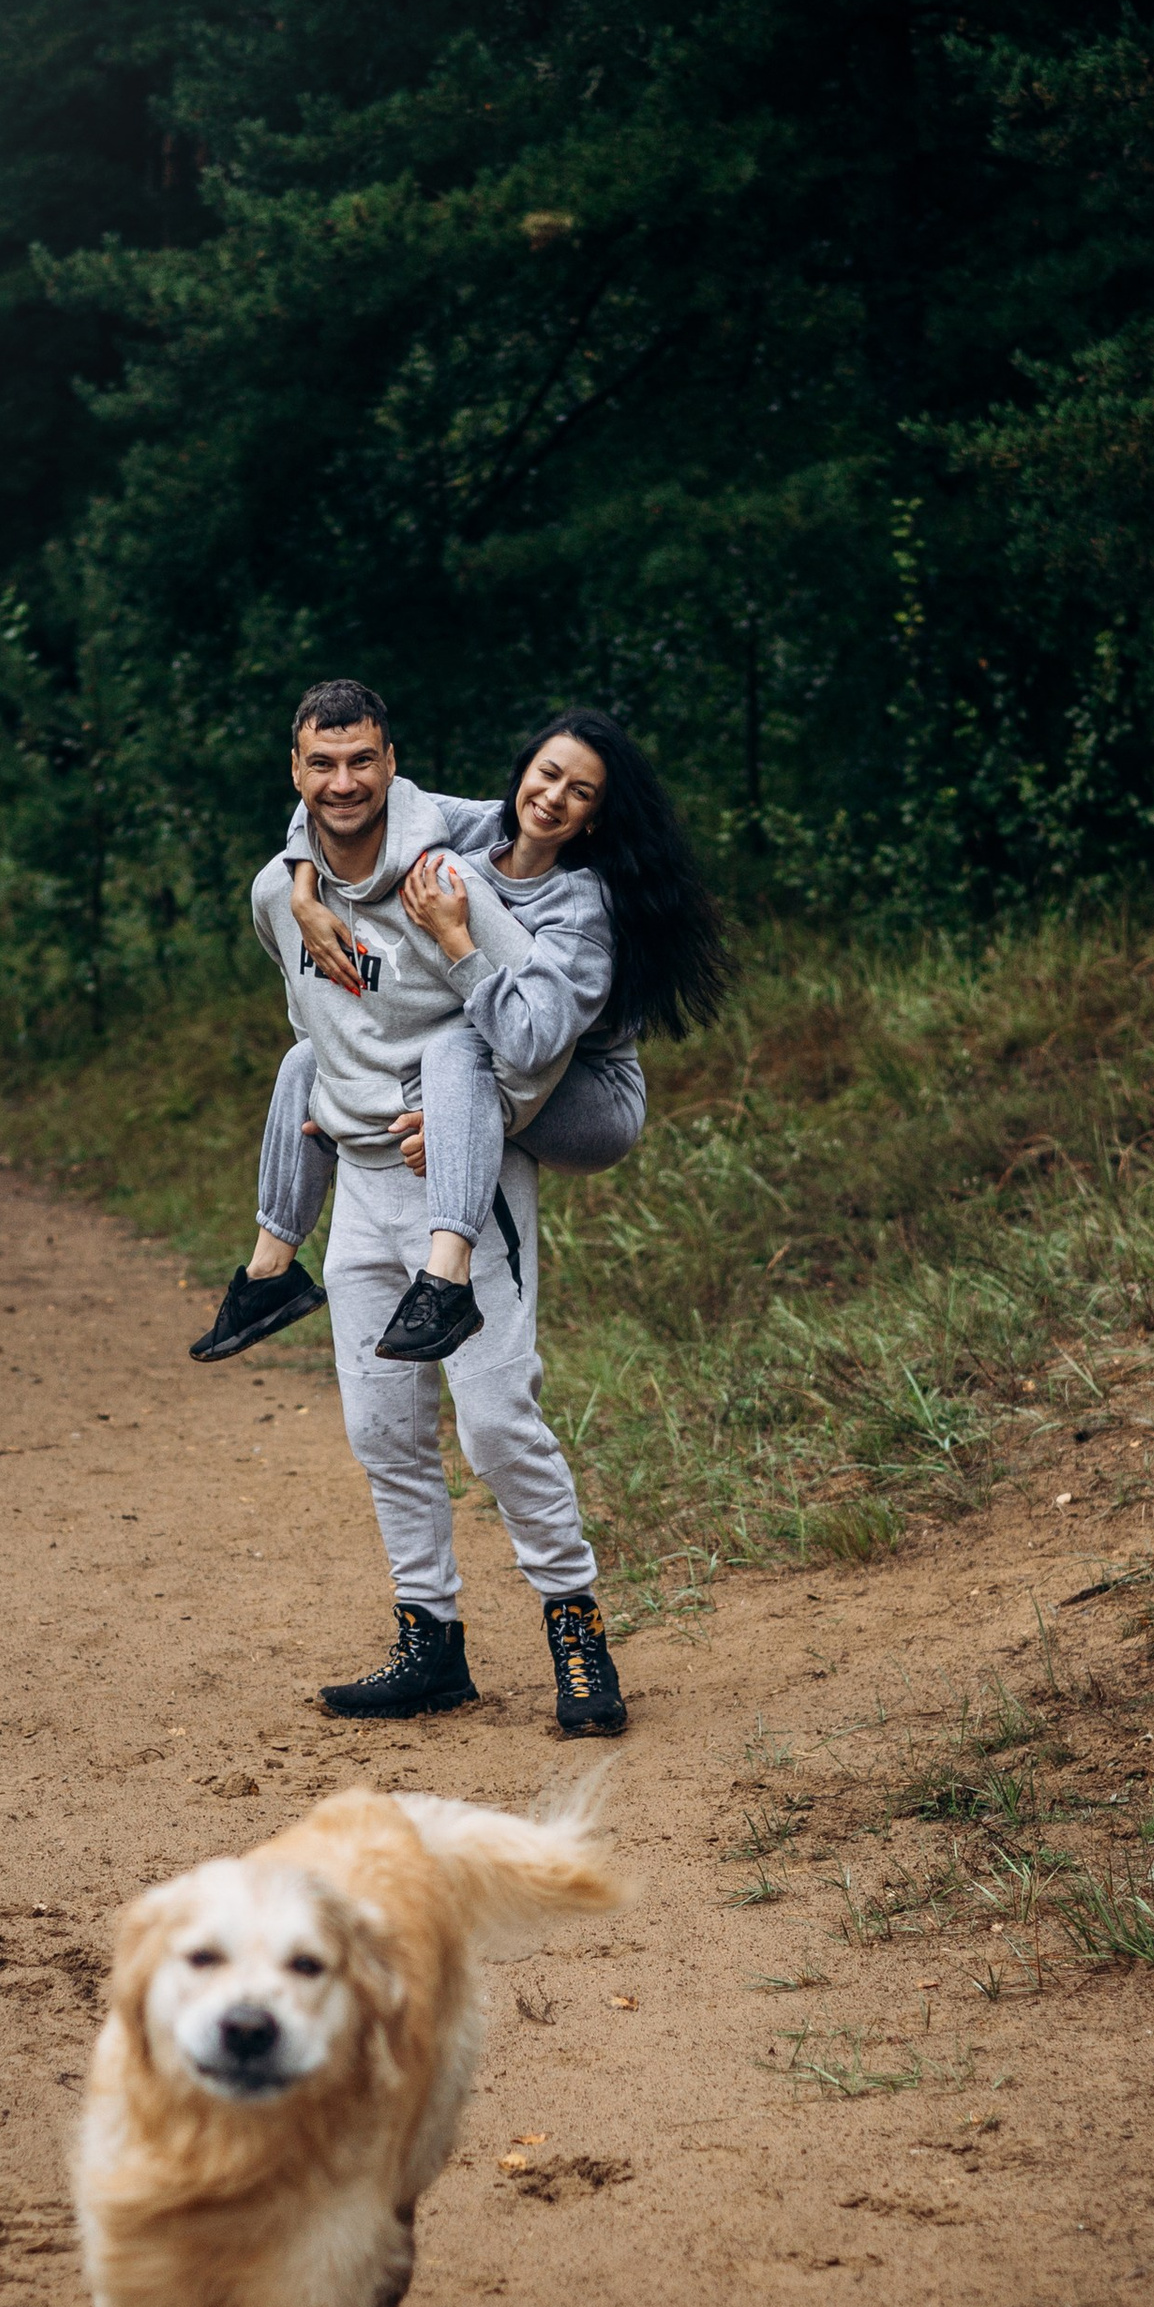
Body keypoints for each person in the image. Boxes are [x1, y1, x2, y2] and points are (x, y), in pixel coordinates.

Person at [207, 679, 635, 1734]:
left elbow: (530, 1030)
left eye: (362, 762)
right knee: (383, 1432)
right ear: (294, 774)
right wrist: (307, 891)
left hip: (463, 1187)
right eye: (321, 764)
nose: (342, 782)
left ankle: (576, 1632)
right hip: (358, 1191)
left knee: (494, 1425)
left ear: (394, 762)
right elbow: (317, 1020)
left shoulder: (454, 871)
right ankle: (428, 1644)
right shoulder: (276, 893)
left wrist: (467, 1111)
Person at [194, 705, 727, 1366]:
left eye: (580, 792)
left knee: (451, 1049)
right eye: (549, 774)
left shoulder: (581, 902)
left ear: (594, 816)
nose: (554, 797)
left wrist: (457, 943)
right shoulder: (473, 826)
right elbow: (340, 805)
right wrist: (304, 889)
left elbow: (530, 1042)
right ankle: (270, 1274)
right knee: (309, 1059)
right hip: (501, 1056)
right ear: (523, 771)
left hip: (587, 1094)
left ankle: (447, 1281)